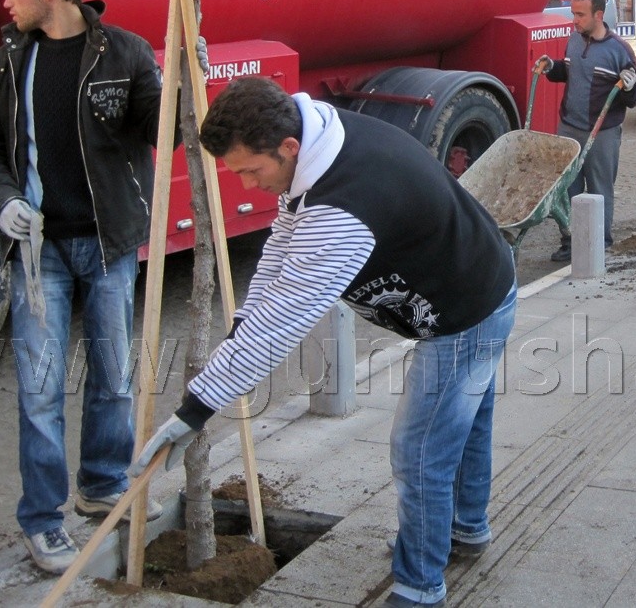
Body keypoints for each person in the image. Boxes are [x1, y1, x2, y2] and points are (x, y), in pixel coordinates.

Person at [132, 77, 518, 608]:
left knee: (421, 448)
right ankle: (464, 530)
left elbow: (285, 320)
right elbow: (280, 257)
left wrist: (195, 409)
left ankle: (420, 586)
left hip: (466, 310)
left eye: (250, 170)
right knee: (465, 421)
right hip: (475, 282)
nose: (245, 186)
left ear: (287, 148)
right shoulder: (316, 145)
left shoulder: (345, 204)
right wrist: (241, 329)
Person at [0, 0, 166, 574]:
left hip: (109, 242)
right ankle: (43, 520)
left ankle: (103, 482)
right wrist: (2, 202)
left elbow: (160, 126)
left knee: (112, 376)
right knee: (40, 386)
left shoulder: (126, 53)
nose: (6, 2)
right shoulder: (6, 62)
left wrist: (184, 88)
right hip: (39, 251)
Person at [537, 0, 636, 261]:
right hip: (570, 127)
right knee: (567, 189)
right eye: (573, 13)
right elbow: (568, 72)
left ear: (598, 14)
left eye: (580, 15)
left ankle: (600, 244)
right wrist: (552, 67)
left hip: (602, 133)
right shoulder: (574, 39)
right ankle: (571, 241)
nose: (574, 20)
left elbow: (635, 96)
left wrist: (630, 86)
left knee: (599, 188)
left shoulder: (619, 50)